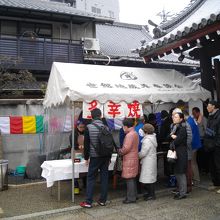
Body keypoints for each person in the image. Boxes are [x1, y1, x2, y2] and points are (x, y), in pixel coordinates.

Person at [80, 108, 111, 208]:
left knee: (91, 178)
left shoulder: (88, 127)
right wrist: (109, 156)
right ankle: (103, 200)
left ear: (92, 116)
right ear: (100, 115)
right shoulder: (106, 127)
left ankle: (88, 202)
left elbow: (86, 144)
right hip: (106, 156)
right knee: (104, 178)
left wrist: (86, 157)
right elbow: (109, 143)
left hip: (95, 157)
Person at [119, 118, 139, 204]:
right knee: (132, 178)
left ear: (126, 126)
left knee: (129, 179)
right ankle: (134, 195)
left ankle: (131, 198)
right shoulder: (134, 133)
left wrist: (120, 151)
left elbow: (126, 148)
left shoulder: (129, 135)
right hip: (134, 157)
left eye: (123, 126)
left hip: (129, 158)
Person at [170, 112, 188, 199]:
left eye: (176, 117)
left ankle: (183, 193)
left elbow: (178, 140)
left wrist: (174, 137)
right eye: (173, 117)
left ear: (181, 119)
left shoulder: (182, 128)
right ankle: (180, 191)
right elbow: (168, 137)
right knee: (177, 172)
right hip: (177, 152)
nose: (174, 118)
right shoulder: (175, 127)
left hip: (181, 152)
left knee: (181, 172)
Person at [139, 123, 157, 201]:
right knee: (150, 178)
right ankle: (150, 194)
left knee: (148, 179)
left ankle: (151, 195)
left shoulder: (147, 140)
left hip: (148, 161)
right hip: (151, 160)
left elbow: (143, 153)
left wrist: (137, 155)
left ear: (146, 131)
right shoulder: (152, 138)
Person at [205, 101, 220, 193]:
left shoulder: (218, 116)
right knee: (212, 166)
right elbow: (209, 130)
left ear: (214, 107)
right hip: (210, 145)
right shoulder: (210, 116)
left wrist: (217, 144)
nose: (207, 108)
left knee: (218, 165)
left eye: (209, 106)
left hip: (216, 145)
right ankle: (216, 184)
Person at [186, 112, 202, 185]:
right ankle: (196, 178)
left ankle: (196, 179)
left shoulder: (189, 122)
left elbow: (190, 136)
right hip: (196, 143)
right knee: (194, 162)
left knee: (192, 162)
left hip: (193, 145)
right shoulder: (192, 120)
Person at [192, 107, 208, 173]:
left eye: (194, 113)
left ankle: (205, 169)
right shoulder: (194, 119)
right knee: (198, 155)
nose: (193, 114)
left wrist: (203, 136)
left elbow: (206, 129)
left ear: (198, 112)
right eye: (192, 113)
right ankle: (200, 168)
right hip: (196, 139)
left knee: (203, 155)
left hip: (202, 139)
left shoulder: (203, 119)